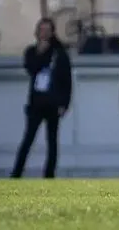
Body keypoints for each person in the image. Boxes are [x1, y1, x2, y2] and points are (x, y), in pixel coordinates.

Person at [11, 18, 72, 178]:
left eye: (47, 30)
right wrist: (41, 51)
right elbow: (31, 67)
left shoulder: (59, 53)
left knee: (52, 141)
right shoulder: (32, 51)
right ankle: (17, 172)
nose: (44, 33)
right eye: (41, 30)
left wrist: (64, 103)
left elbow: (67, 80)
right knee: (28, 138)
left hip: (53, 102)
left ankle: (49, 174)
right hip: (36, 102)